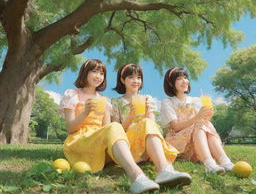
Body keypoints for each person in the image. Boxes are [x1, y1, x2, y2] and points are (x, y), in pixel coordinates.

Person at [59, 59, 160, 194]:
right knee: (114, 126)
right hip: (80, 140)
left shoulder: (105, 101)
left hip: (99, 142)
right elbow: (70, 128)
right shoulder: (72, 94)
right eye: (94, 72)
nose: (98, 76)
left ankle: (144, 172)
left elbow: (108, 129)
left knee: (114, 126)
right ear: (84, 73)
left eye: (101, 74)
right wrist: (85, 112)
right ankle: (137, 176)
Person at [111, 63, 192, 188]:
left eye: (139, 78)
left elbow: (152, 125)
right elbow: (116, 133)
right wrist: (130, 116)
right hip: (129, 146)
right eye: (131, 77)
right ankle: (163, 169)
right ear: (122, 80)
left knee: (148, 122)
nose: (136, 81)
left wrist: (148, 111)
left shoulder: (147, 98)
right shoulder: (116, 102)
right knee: (145, 123)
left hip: (147, 146)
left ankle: (164, 170)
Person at [161, 67, 234, 174]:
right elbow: (175, 127)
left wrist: (207, 115)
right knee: (199, 123)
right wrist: (197, 118)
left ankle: (225, 161)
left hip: (197, 139)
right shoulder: (168, 102)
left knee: (205, 123)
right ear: (171, 83)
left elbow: (203, 123)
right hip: (178, 140)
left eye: (185, 78)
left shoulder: (195, 100)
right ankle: (209, 164)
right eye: (179, 79)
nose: (184, 81)